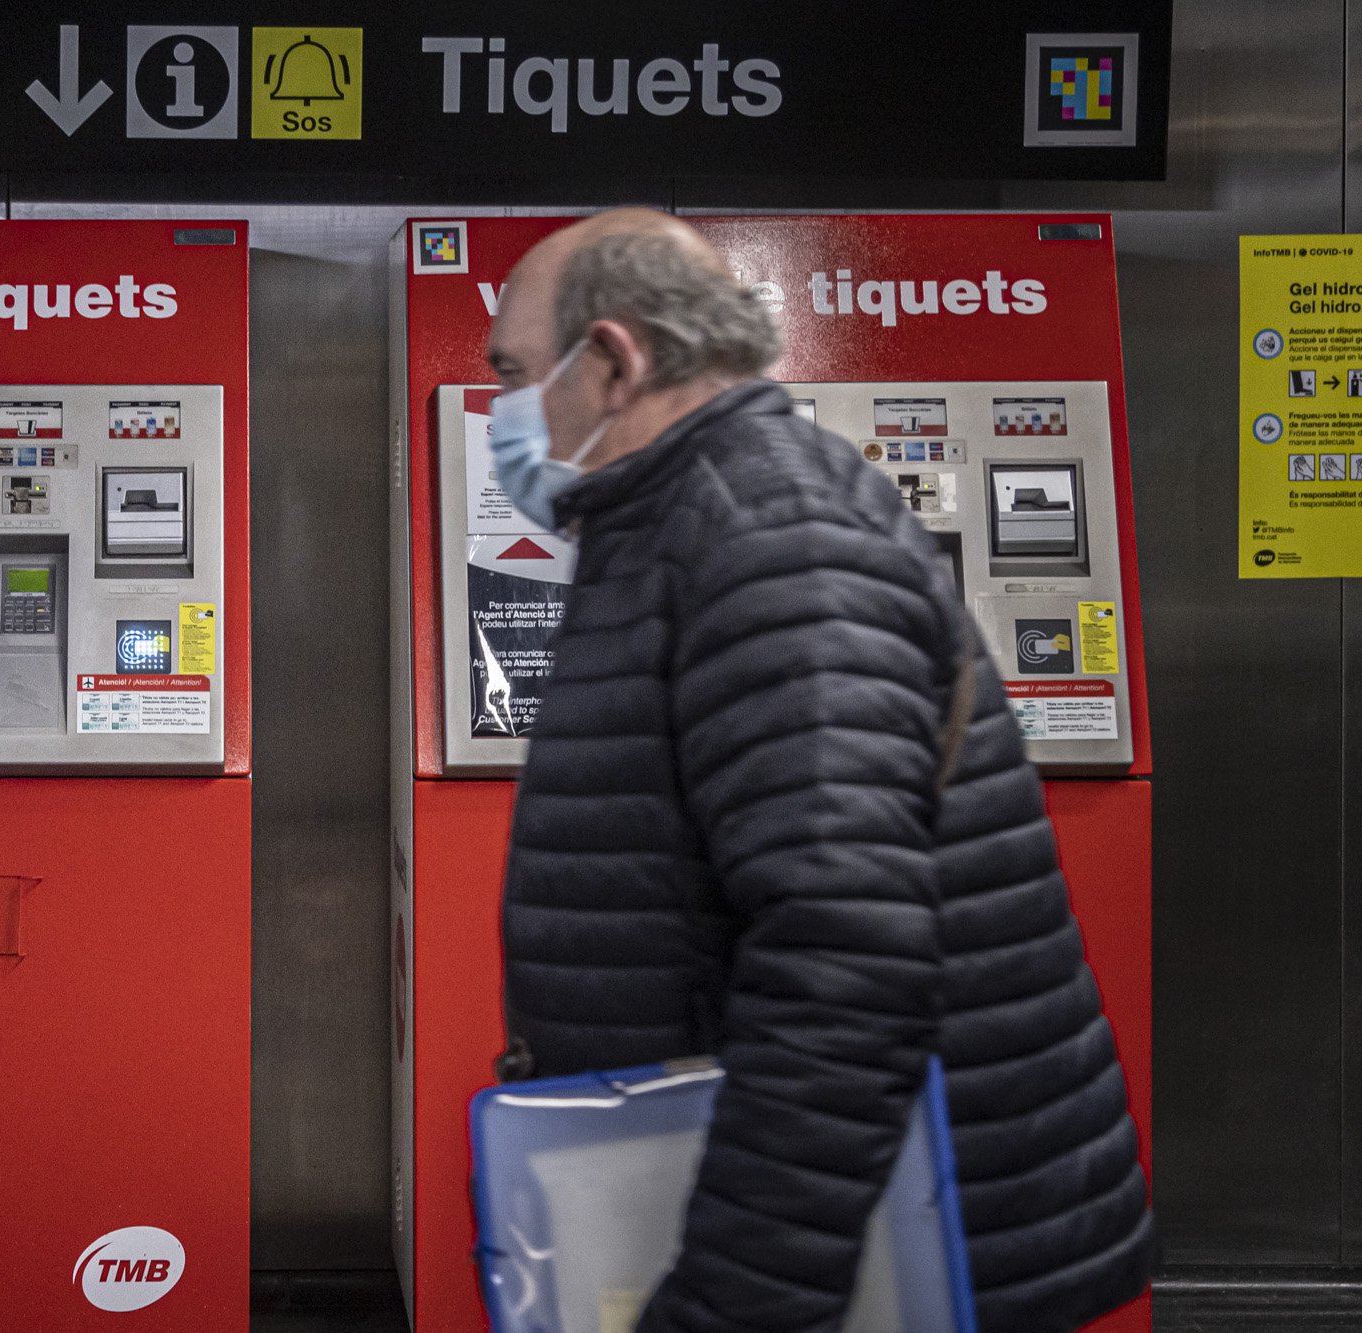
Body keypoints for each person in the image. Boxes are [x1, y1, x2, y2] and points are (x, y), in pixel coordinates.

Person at [486, 209, 1153, 1332]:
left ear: (610, 360)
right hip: (830, 1209)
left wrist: (730, 1303)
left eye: (513, 372)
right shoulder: (683, 520)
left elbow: (843, 961)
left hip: (887, 1241)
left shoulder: (766, 539)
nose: (501, 413)